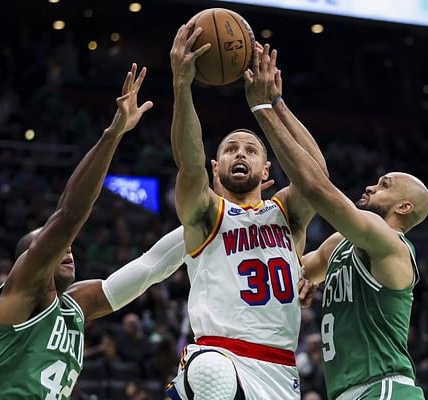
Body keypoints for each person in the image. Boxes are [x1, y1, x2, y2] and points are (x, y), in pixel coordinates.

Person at [244, 43, 428, 400]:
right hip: (348, 392)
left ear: (404, 207)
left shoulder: (388, 242)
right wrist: (279, 104)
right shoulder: (338, 246)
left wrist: (262, 108)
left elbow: (316, 186)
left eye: (384, 185)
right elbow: (295, 268)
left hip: (385, 388)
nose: (371, 186)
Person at [0, 63, 159, 399]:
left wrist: (208, 216)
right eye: (51, 243)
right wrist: (112, 135)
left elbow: (150, 267)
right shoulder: (24, 291)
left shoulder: (75, 306)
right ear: (31, 258)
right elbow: (68, 216)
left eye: (67, 246)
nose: (67, 248)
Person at [165, 22, 324, 400]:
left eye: (251, 150)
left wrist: (275, 105)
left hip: (280, 369)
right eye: (230, 149)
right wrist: (182, 87)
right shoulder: (205, 214)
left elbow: (316, 177)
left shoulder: (287, 212)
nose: (240, 153)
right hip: (219, 355)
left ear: (266, 170)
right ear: (215, 168)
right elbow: (189, 164)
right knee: (207, 370)